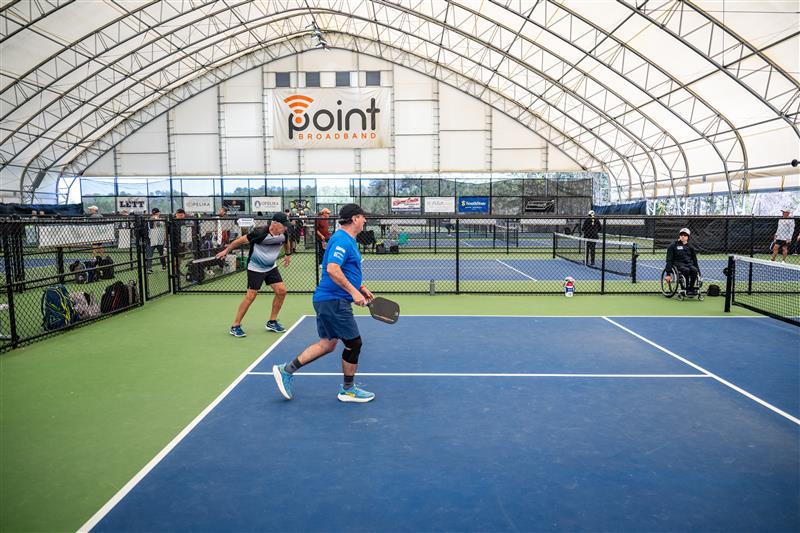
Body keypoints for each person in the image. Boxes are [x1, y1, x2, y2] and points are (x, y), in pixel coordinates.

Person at [272, 203, 375, 403]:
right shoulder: (342, 240)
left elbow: (343, 268)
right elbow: (332, 269)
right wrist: (354, 292)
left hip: (329, 300)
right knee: (354, 344)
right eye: (363, 217)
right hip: (334, 301)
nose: (365, 220)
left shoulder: (346, 239)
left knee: (327, 344)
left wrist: (360, 286)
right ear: (354, 219)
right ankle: (348, 390)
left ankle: (286, 370)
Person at [216, 212, 292, 337]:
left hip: (271, 267)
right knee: (251, 296)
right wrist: (226, 250)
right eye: (283, 225)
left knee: (281, 291)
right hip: (256, 267)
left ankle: (272, 322)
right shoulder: (260, 233)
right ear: (274, 223)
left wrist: (288, 254)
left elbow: (286, 241)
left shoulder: (284, 233)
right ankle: (235, 326)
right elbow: (239, 241)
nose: (285, 228)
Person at [665, 228, 700, 295]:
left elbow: (694, 259)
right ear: (679, 236)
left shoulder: (690, 247)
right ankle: (685, 288)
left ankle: (691, 289)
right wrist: (668, 274)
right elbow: (669, 260)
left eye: (685, 235)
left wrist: (699, 270)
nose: (683, 236)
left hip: (688, 264)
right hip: (677, 264)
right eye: (681, 235)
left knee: (694, 270)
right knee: (686, 270)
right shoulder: (672, 246)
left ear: (688, 237)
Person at [145, 208, 167, 273]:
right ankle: (150, 268)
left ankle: (163, 266)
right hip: (154, 236)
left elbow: (163, 228)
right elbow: (152, 227)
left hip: (156, 237)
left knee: (160, 253)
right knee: (152, 254)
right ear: (158, 213)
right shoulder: (151, 220)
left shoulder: (160, 220)